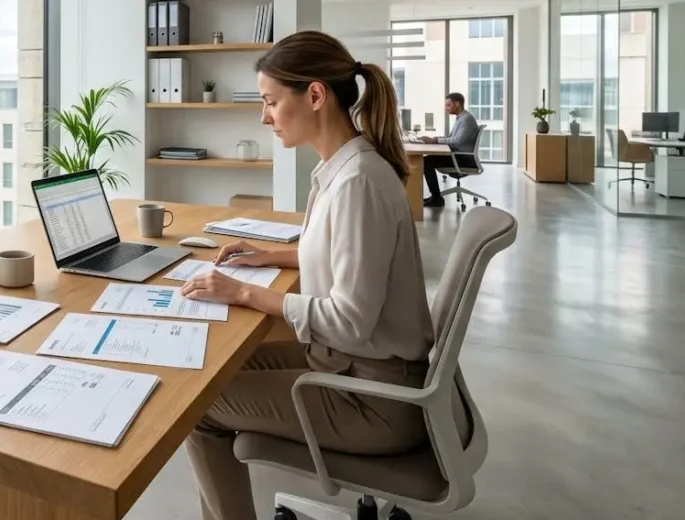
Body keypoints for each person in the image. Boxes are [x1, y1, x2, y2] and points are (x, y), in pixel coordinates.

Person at [177, 30, 433, 520]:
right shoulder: (344, 169)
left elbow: (349, 320)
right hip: (354, 368)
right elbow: (346, 257)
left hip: (375, 400)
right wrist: (269, 256)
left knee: (198, 406)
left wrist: (245, 293)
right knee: (212, 370)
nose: (264, 116)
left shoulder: (358, 182)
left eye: (271, 101)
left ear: (315, 95)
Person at [419, 93, 479, 208]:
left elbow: (458, 140)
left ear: (457, 103)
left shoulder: (466, 119)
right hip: (458, 155)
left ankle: (437, 198)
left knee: (426, 162)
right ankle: (435, 197)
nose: (446, 108)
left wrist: (436, 140)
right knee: (427, 160)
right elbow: (452, 137)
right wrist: (435, 139)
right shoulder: (461, 118)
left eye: (448, 105)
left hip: (464, 159)